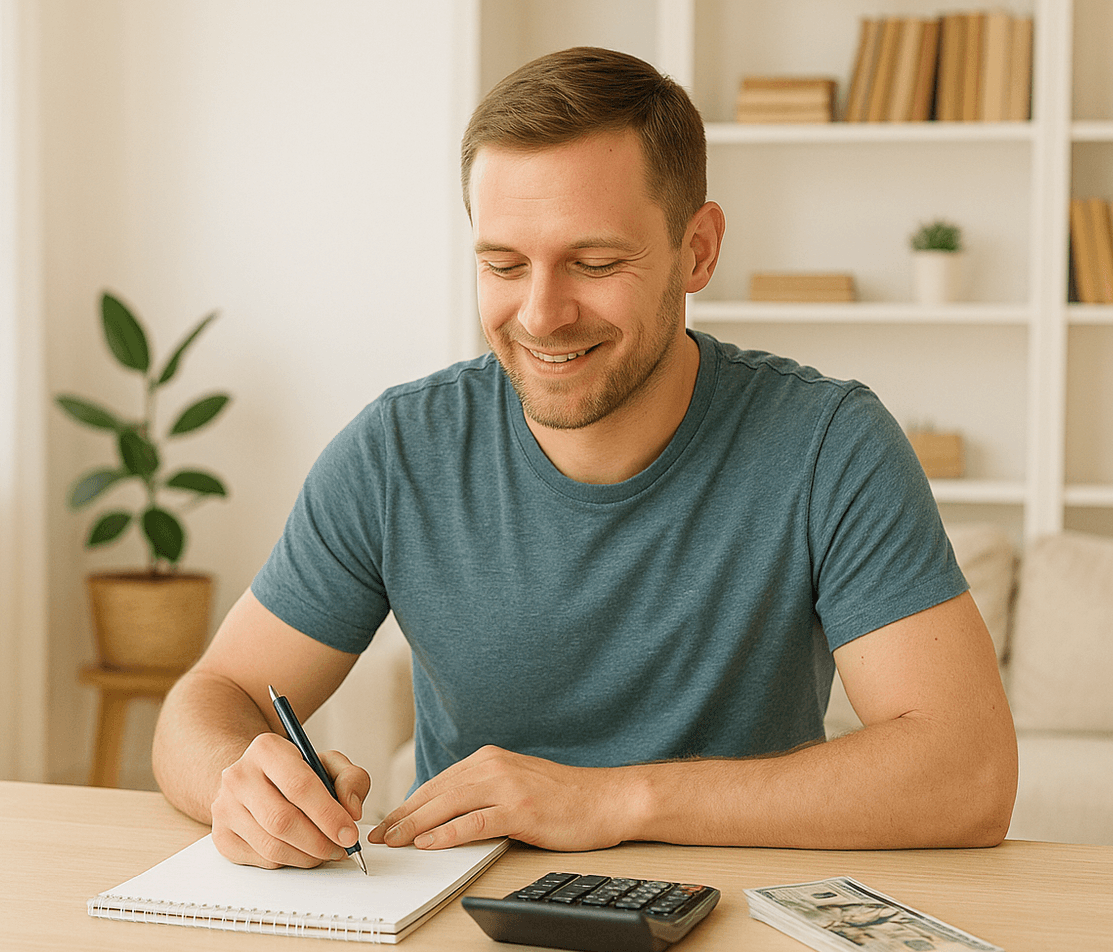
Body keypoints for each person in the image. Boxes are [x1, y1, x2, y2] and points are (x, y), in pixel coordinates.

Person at [152, 46, 1017, 870]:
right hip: (463, 923)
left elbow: (967, 775)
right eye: (502, 263)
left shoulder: (830, 444)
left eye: (594, 262)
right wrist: (244, 783)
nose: (540, 314)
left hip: (736, 923)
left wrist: (611, 803)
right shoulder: (398, 452)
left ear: (698, 250)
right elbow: (213, 694)